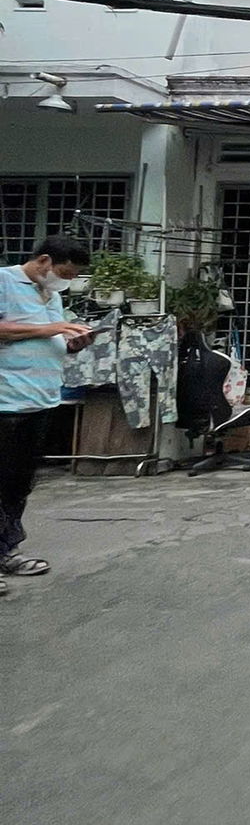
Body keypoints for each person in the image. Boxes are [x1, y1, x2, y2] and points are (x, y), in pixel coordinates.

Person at [0, 235, 93, 584]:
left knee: (18, 484)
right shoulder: (4, 281)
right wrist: (49, 328)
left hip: (41, 400)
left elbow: (52, 340)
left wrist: (73, 343)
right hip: (6, 401)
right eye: (66, 273)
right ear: (43, 261)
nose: (68, 281)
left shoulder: (51, 295)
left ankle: (8, 551)